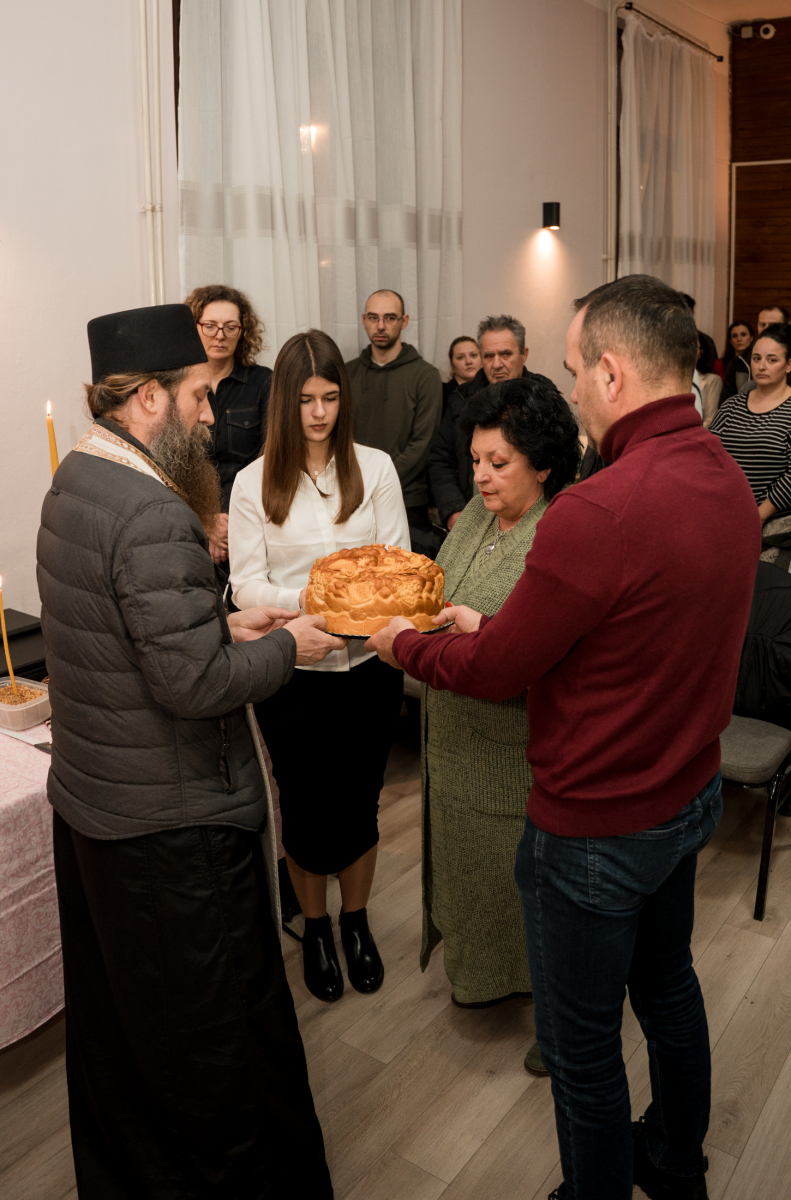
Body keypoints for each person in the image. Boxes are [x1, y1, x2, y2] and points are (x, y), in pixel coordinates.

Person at [367, 275, 761, 1200]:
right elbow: (623, 634)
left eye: (576, 368)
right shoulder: (722, 472)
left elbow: (497, 671)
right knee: (668, 989)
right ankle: (676, 1164)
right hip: (685, 793)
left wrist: (401, 644)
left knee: (581, 1052)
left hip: (596, 825)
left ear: (614, 374)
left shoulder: (597, 508)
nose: (571, 387)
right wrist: (496, 630)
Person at [37, 304, 338, 1198]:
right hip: (172, 831)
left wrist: (220, 622)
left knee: (125, 1032)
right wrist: (289, 648)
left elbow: (128, 632)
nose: (212, 414)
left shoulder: (76, 479)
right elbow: (194, 686)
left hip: (97, 811)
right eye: (199, 394)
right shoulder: (154, 513)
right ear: (148, 398)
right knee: (214, 1048)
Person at [229, 329, 408, 1005]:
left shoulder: (376, 468)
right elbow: (245, 585)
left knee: (360, 800)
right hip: (291, 673)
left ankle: (355, 920)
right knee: (304, 807)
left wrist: (345, 603)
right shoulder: (252, 482)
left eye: (330, 397)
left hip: (368, 669)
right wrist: (311, 601)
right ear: (284, 401)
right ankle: (316, 927)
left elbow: (396, 565)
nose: (319, 413)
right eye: (305, 399)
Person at [420, 376, 579, 1011]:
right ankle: (476, 978)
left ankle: (536, 1000)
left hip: (508, 760)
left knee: (510, 887)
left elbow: (523, 659)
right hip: (452, 742)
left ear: (542, 465)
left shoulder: (555, 537)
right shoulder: (477, 517)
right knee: (462, 873)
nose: (481, 477)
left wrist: (440, 638)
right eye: (476, 460)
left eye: (499, 463)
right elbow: (439, 589)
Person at [429, 314, 555, 530]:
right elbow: (441, 459)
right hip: (471, 517)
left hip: (532, 520)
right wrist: (454, 512)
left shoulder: (544, 396)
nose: (497, 364)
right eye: (488, 356)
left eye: (505, 354)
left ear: (524, 354)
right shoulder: (461, 399)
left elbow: (558, 462)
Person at [346, 289, 442, 556]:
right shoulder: (346, 373)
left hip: (407, 499)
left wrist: (377, 483)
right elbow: (338, 436)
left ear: (404, 321)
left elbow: (422, 444)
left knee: (397, 576)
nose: (380, 326)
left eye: (390, 318)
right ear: (363, 320)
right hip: (352, 497)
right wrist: (357, 487)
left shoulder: (425, 376)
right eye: (373, 317)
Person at [184, 284, 272, 565]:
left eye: (230, 327)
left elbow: (272, 459)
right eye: (210, 326)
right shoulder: (178, 387)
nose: (220, 335)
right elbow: (169, 464)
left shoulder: (264, 383)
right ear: (194, 328)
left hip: (252, 521)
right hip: (191, 523)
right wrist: (205, 521)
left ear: (243, 331)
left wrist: (233, 523)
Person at [711, 324, 791, 523]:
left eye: (772, 360)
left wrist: (758, 516)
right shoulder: (732, 406)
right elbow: (708, 455)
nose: (761, 366)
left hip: (776, 524)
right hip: (725, 513)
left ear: (788, 365)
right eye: (756, 359)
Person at [443, 335, 481, 413]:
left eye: (473, 355)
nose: (468, 361)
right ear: (452, 366)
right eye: (460, 357)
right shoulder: (443, 395)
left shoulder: (492, 389)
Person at [719, 320, 753, 396]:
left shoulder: (756, 362)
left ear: (751, 338)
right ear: (730, 341)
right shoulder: (721, 363)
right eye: (734, 336)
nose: (739, 339)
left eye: (743, 335)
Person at [696, 336, 723, 427]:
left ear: (701, 352)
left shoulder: (712, 380)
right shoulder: (668, 379)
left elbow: (710, 421)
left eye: (693, 347)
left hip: (698, 432)